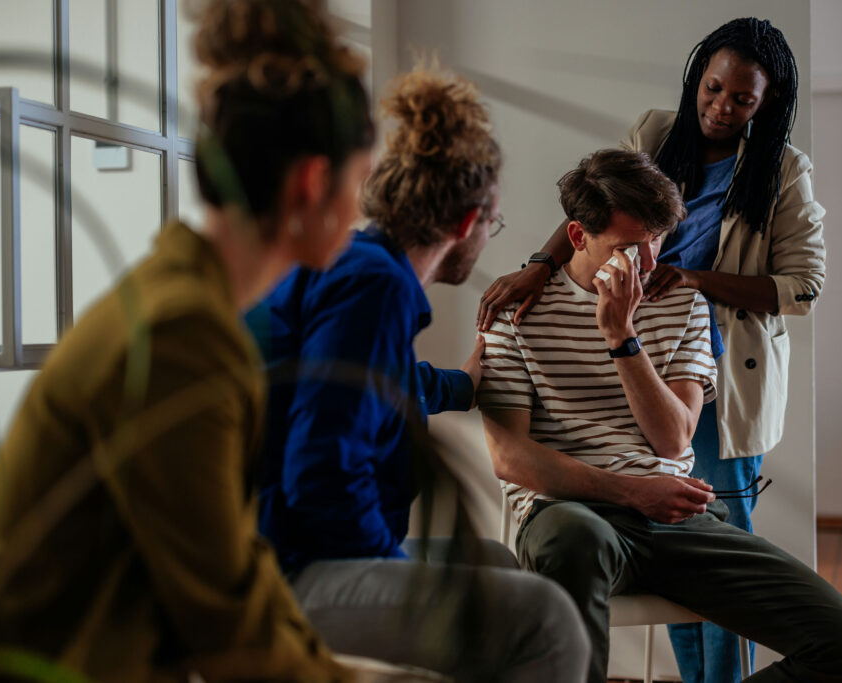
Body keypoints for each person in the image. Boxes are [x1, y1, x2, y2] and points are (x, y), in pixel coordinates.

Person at [0, 1, 375, 681]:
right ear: (310, 183)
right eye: (359, 181)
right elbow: (228, 627)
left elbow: (237, 575)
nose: (360, 209)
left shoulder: (181, 301)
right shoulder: (184, 336)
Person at [475, 17, 825, 683]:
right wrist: (538, 266)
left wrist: (690, 279)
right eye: (712, 88)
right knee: (662, 546)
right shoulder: (657, 133)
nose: (721, 107)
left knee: (713, 545)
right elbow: (599, 205)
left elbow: (803, 285)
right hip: (641, 339)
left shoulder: (783, 169)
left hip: (716, 360)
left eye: (742, 99)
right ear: (697, 78)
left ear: (768, 104)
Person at [243, 67, 590, 683]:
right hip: (281, 572)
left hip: (281, 550)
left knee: (495, 564)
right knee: (547, 619)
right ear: (466, 223)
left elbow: (383, 379)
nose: (489, 237)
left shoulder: (355, 265)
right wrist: (389, 566)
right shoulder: (374, 286)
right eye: (494, 224)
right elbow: (320, 465)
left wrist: (466, 382)